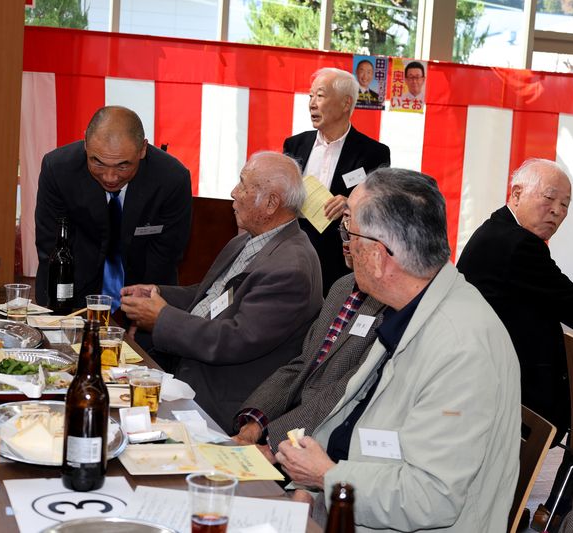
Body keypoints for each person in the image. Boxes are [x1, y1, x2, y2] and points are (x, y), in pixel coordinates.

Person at [275, 168, 521, 532]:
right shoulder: (411, 306)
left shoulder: (461, 347)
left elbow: (431, 498)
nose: (346, 245)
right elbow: (349, 418)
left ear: (378, 255)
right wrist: (307, 488)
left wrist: (325, 478)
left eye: (349, 231)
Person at [120, 151, 323, 429]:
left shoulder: (290, 269)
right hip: (187, 368)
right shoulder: (249, 241)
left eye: (243, 185)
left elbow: (234, 339)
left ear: (271, 203)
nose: (233, 193)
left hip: (221, 398)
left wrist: (161, 318)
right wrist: (158, 293)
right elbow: (212, 296)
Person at [457, 158, 573, 442]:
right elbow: (572, 303)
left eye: (565, 204)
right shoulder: (516, 243)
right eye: (549, 198)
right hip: (509, 399)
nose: (558, 210)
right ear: (517, 194)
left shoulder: (497, 230)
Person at [232, 229, 387, 455]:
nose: (346, 241)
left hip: (327, 441)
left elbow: (343, 391)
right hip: (290, 426)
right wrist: (253, 424)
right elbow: (302, 365)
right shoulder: (342, 287)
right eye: (344, 228)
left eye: (353, 231)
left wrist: (273, 444)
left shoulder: (391, 306)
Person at [34, 106, 192, 310]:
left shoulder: (171, 179)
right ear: (86, 143)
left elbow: (166, 256)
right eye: (97, 163)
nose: (110, 177)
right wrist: (66, 310)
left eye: (122, 166)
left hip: (144, 294)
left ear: (143, 149)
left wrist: (144, 311)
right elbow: (51, 245)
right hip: (69, 291)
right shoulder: (58, 169)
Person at [284, 67, 390, 296]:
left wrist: (351, 204)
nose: (312, 103)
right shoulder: (294, 145)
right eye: (310, 96)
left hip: (339, 262)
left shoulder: (373, 153)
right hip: (293, 254)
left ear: (345, 103)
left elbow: (380, 208)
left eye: (320, 96)